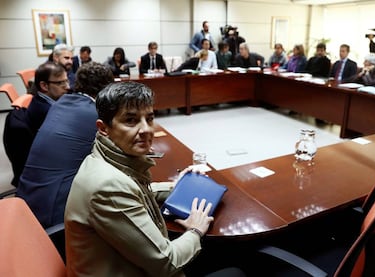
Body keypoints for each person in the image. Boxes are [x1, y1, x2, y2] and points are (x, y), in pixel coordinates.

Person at [64, 81, 246, 277]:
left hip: (128, 263)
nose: (146, 130)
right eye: (131, 121)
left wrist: (177, 187)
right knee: (236, 269)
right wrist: (195, 230)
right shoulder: (107, 188)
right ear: (104, 128)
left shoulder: (102, 158)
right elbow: (167, 263)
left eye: (149, 119)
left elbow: (135, 190)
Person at [16, 62, 114, 228]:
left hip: (26, 200)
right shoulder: (95, 114)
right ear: (108, 90)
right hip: (54, 214)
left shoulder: (61, 104)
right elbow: (119, 154)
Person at [3, 62, 68, 187]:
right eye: (61, 83)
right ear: (44, 85)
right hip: (46, 171)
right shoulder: (48, 113)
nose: (67, 87)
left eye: (66, 81)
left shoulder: (40, 101)